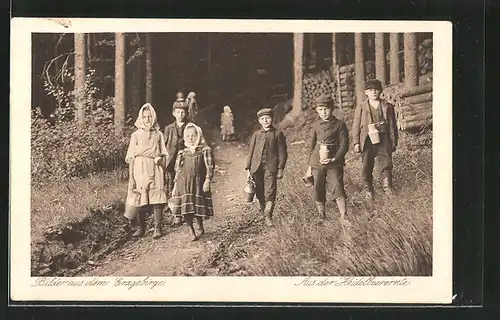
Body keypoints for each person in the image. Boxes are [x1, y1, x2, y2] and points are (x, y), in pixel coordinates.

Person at [125, 103, 169, 239]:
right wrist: (132, 177)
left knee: (157, 198)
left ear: (154, 117)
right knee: (141, 196)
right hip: (140, 167)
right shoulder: (136, 135)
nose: (148, 119)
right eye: (145, 117)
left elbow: (164, 153)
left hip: (155, 166)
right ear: (141, 118)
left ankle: (157, 227)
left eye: (150, 116)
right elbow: (131, 157)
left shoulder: (158, 134)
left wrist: (160, 161)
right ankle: (141, 228)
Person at [351, 79, 398, 200]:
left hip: (384, 137)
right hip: (367, 139)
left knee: (386, 162)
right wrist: (356, 142)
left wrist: (393, 140)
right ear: (366, 92)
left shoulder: (387, 106)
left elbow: (393, 125)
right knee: (366, 164)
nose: (374, 92)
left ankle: (387, 187)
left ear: (380, 91)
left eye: (376, 90)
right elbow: (356, 125)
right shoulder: (362, 107)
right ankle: (368, 189)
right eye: (370, 90)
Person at [306, 95, 349, 223]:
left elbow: (344, 145)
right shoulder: (315, 126)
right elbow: (311, 147)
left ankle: (343, 215)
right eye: (320, 109)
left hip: (334, 162)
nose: (324, 112)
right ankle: (322, 215)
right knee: (318, 187)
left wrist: (335, 159)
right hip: (317, 162)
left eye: (326, 109)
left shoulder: (340, 125)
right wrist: (309, 167)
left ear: (332, 109)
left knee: (337, 184)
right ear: (317, 110)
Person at [170, 123, 215, 241]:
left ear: (198, 136)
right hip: (183, 184)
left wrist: (207, 180)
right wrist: (175, 185)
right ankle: (190, 229)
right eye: (188, 136)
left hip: (198, 183)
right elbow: (177, 170)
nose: (190, 138)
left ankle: (200, 225)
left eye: (193, 136)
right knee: (186, 208)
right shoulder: (182, 153)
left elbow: (209, 167)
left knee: (196, 206)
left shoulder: (205, 150)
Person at [245, 108, 288, 227]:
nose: (265, 120)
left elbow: (282, 153)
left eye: (268, 118)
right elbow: (251, 151)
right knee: (259, 191)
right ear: (259, 121)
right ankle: (263, 212)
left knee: (270, 191)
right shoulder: (256, 135)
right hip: (256, 167)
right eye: (263, 119)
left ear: (272, 119)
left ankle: (268, 216)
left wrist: (280, 168)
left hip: (271, 167)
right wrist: (248, 168)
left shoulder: (277, 134)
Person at [164, 99, 189, 225]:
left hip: (185, 162)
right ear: (174, 113)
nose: (180, 115)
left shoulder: (190, 127)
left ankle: (183, 211)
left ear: (186, 113)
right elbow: (164, 145)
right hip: (171, 162)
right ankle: (173, 209)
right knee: (171, 185)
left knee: (183, 186)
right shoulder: (169, 128)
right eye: (178, 112)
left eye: (183, 112)